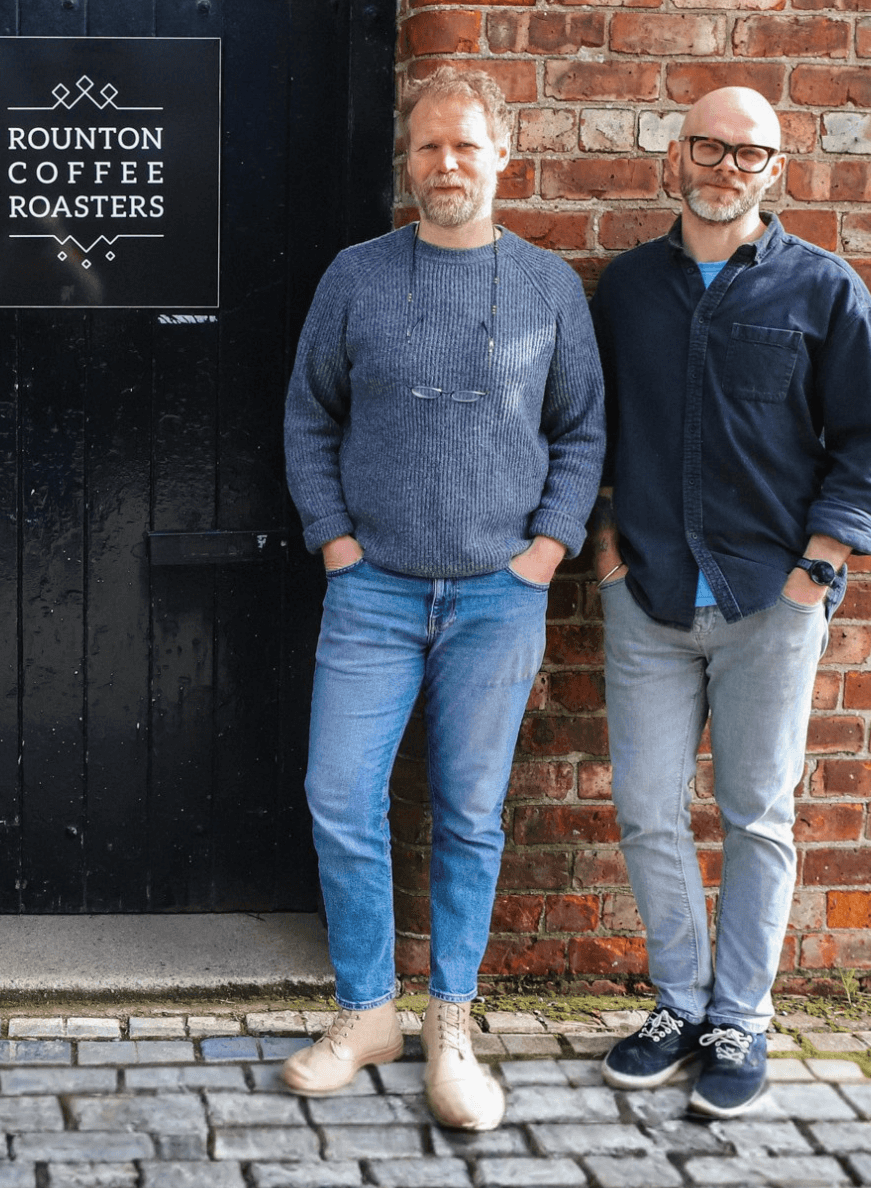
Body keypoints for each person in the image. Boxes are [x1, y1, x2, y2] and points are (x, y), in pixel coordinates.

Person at [281, 69, 605, 1130]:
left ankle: (451, 1022)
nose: (446, 165)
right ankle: (367, 1010)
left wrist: (545, 550)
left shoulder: (549, 286)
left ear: (499, 156)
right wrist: (334, 542)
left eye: (465, 146)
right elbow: (308, 418)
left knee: (468, 814)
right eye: (428, 148)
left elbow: (582, 431)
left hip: (495, 598)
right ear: (406, 162)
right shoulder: (355, 277)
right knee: (340, 794)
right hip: (370, 591)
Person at [591, 87, 871, 1118]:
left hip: (770, 597)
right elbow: (594, 427)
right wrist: (610, 550)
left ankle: (739, 1016)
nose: (724, 165)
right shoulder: (624, 290)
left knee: (757, 814)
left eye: (747, 152)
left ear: (774, 166)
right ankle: (678, 1001)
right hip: (648, 594)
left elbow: (863, 438)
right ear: (677, 152)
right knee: (644, 805)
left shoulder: (823, 291)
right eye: (708, 145)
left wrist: (817, 568)